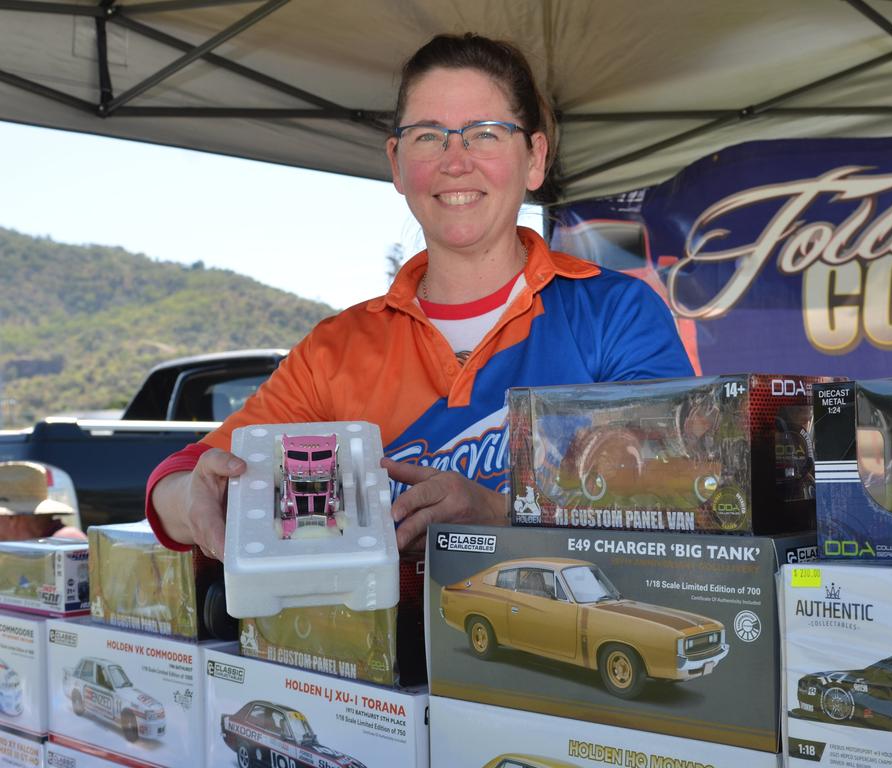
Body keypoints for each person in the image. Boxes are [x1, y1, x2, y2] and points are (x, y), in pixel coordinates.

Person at [146, 32, 693, 559]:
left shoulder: (614, 314)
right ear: (397, 164)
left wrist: (502, 514)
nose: (456, 160)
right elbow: (186, 473)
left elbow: (675, 500)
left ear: (533, 159)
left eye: (485, 133)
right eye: (429, 135)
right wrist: (191, 500)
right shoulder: (337, 350)